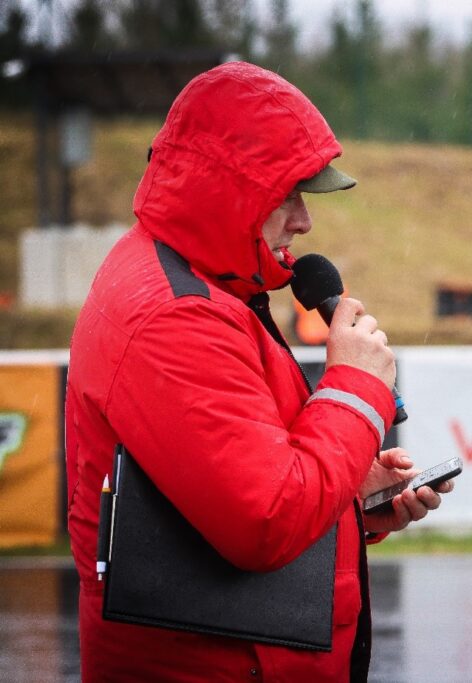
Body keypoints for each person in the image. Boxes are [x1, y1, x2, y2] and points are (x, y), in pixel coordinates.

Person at [64, 61, 451, 682]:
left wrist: (347, 496)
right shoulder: (176, 315)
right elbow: (263, 521)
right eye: (289, 193)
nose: (304, 220)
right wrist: (356, 391)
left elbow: (217, 486)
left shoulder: (200, 281)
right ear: (231, 189)